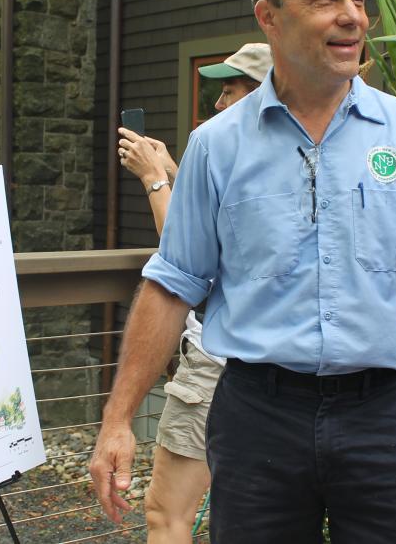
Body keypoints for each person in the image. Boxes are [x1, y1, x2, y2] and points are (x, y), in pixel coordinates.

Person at [90, 0, 396, 543]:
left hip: (384, 418)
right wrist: (117, 419)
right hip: (258, 416)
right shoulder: (217, 145)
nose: (352, 16)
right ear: (269, 15)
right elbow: (171, 285)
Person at [115, 42, 271, 543]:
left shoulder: (246, 154)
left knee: (166, 514)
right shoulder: (288, 157)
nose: (218, 105)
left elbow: (187, 255)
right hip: (269, 371)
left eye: (229, 92)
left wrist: (154, 179)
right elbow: (221, 222)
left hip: (219, 362)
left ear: (261, 94)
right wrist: (179, 171)